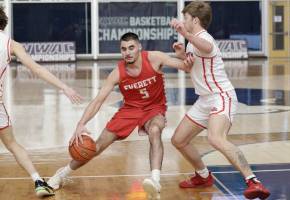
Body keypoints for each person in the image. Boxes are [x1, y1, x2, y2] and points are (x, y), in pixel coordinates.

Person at [47, 32, 192, 199]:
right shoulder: (117, 73)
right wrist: (81, 123)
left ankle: (155, 181)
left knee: (155, 130)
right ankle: (61, 175)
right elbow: (98, 101)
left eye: (131, 48)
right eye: (123, 49)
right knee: (97, 147)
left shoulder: (155, 58)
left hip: (154, 108)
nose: (127, 52)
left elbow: (187, 67)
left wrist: (183, 55)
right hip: (130, 110)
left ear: (139, 47)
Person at [169, 1, 270, 200]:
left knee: (215, 138)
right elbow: (192, 67)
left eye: (186, 19)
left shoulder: (204, 38)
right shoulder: (192, 41)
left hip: (220, 96)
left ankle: (253, 181)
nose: (183, 22)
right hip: (204, 100)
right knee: (178, 139)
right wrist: (183, 55)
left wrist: (185, 33)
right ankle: (203, 176)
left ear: (195, 20)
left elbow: (206, 48)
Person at [0, 6, 82, 198]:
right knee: (12, 144)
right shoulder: (11, 45)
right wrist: (64, 87)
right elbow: (37, 70)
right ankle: (38, 181)